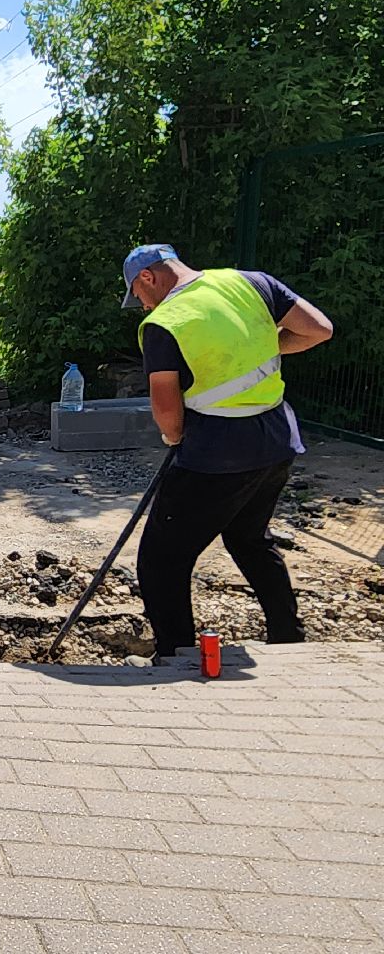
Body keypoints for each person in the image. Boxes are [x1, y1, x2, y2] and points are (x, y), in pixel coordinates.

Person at [122, 244, 334, 663]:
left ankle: (176, 656)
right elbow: (317, 330)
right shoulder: (250, 282)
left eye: (138, 295)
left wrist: (173, 437)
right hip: (276, 440)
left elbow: (166, 410)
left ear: (149, 277)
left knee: (162, 560)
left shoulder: (165, 322)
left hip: (217, 454)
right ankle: (288, 637)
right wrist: (265, 349)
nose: (142, 305)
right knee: (248, 537)